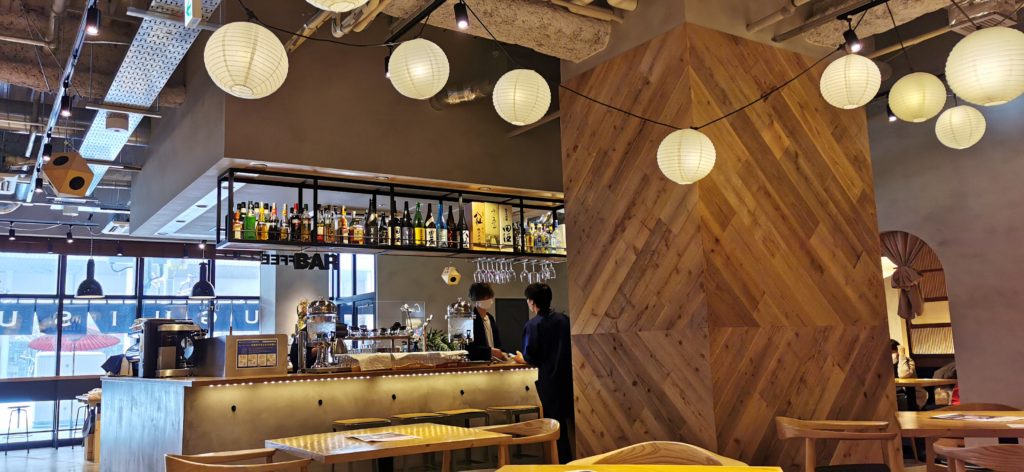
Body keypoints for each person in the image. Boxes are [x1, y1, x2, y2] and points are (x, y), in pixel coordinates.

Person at [514, 283, 574, 463]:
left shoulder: (533, 325)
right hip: (571, 379)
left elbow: (531, 356)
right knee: (573, 423)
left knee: (555, 425)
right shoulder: (564, 320)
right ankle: (577, 459)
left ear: (531, 302)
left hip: (550, 380)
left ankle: (560, 462)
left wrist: (521, 359)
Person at [466, 283, 507, 361]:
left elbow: (497, 342)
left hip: (494, 362)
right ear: (475, 299)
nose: (488, 299)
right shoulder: (469, 320)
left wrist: (502, 352)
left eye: (489, 297)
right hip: (478, 363)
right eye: (484, 297)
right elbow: (469, 348)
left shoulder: (490, 318)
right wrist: (489, 351)